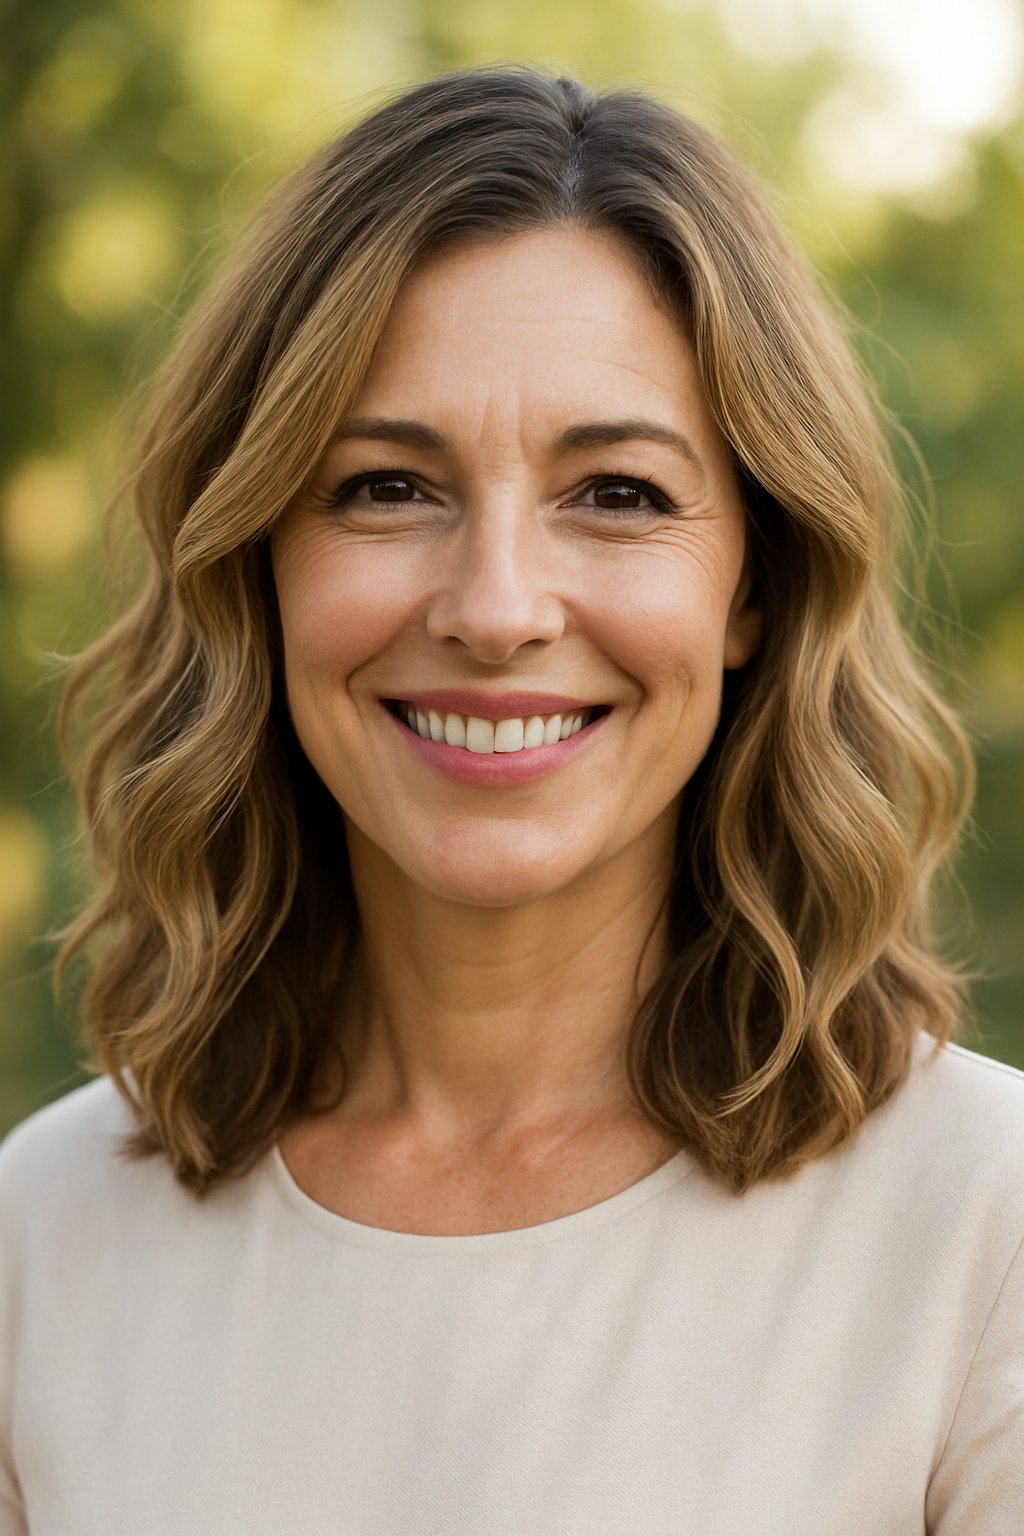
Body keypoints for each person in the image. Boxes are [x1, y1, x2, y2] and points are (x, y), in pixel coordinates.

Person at [1, 62, 1021, 1535]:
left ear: (757, 585)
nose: (495, 608)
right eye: (384, 488)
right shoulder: (47, 1237)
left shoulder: (983, 1234)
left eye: (616, 493)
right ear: (258, 565)